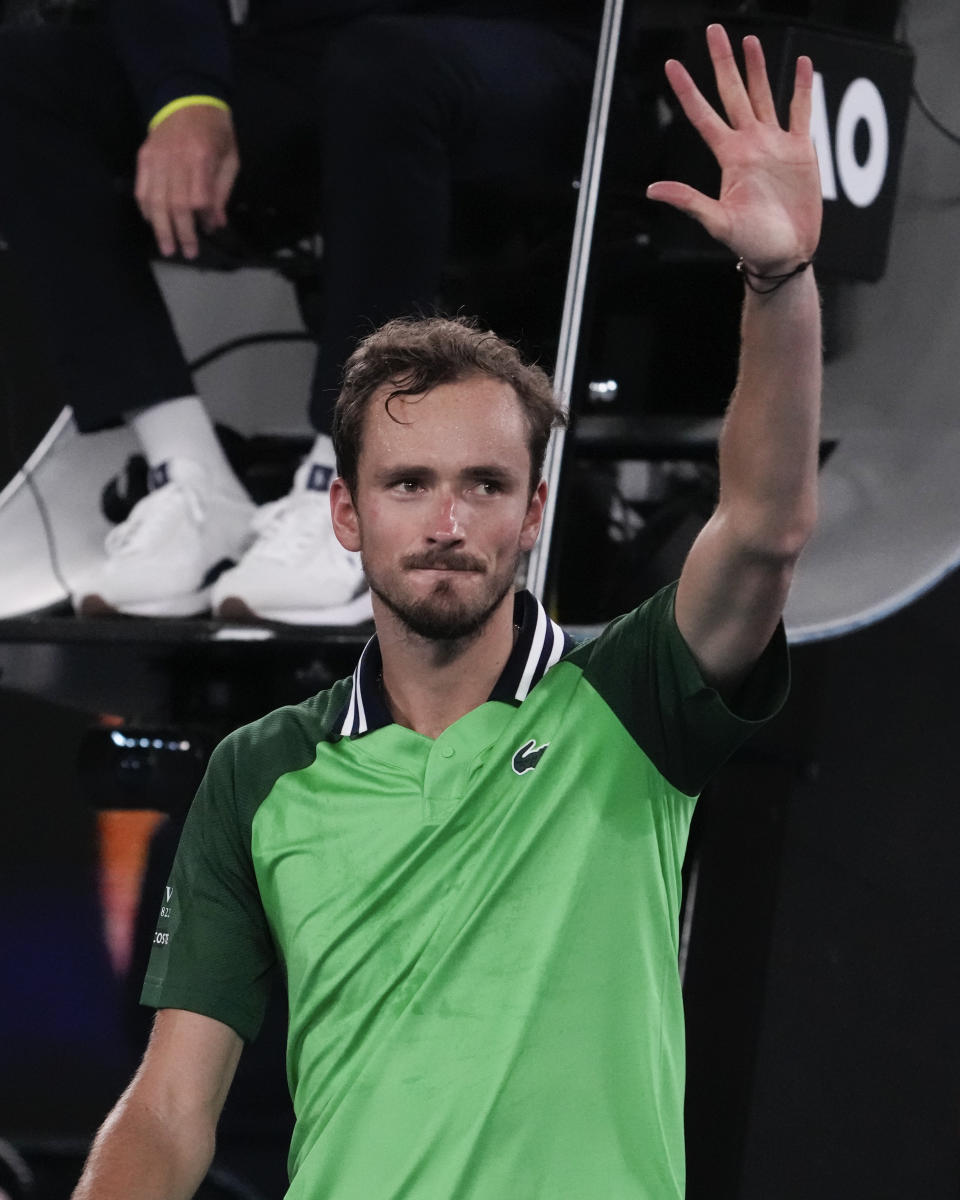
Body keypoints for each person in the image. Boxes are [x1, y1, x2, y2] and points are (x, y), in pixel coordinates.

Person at [70, 24, 822, 1198]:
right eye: (408, 484)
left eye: (485, 486)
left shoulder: (629, 701)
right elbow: (170, 1112)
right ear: (346, 516)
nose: (447, 520)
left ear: (532, 517)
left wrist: (778, 282)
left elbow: (767, 531)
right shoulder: (260, 772)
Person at [0, 0, 597, 623]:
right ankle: (190, 476)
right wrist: (185, 98)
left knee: (383, 63)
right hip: (312, 49)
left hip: (524, 43)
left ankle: (361, 482)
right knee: (27, 74)